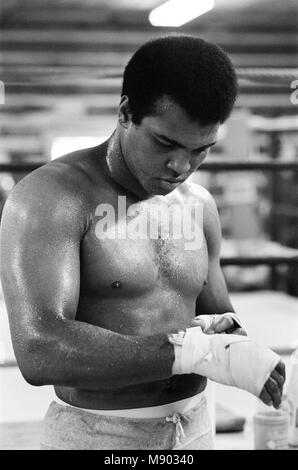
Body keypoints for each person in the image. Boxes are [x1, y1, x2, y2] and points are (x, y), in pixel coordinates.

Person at [0, 34, 285, 450]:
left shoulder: (199, 205)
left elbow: (218, 315)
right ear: (125, 113)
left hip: (195, 426)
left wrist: (253, 359)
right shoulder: (51, 198)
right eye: (165, 143)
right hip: (98, 436)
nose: (181, 167)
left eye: (201, 150)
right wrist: (189, 352)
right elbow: (39, 348)